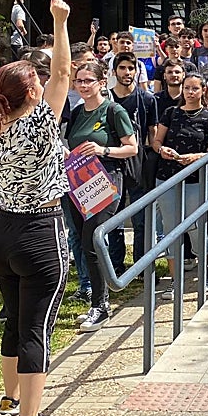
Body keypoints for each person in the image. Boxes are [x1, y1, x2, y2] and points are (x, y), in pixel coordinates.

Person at [0, 0, 73, 416]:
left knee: (16, 320)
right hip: (40, 233)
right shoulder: (39, 122)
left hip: (3, 232)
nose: (42, 83)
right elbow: (63, 75)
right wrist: (59, 22)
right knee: (36, 328)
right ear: (32, 94)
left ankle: (10, 403)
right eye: (36, 81)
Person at [64, 60, 139, 332]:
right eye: (79, 81)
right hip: (78, 182)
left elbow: (132, 148)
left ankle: (101, 305)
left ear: (101, 82)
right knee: (85, 243)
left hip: (106, 180)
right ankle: (98, 300)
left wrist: (103, 150)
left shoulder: (114, 110)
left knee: (93, 240)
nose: (83, 86)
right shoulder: (75, 112)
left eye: (88, 81)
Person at [151, 73, 208, 292]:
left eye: (194, 89)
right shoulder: (170, 113)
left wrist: (198, 157)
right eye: (187, 88)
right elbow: (156, 141)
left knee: (196, 227)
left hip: (195, 179)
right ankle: (175, 281)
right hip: (167, 177)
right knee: (171, 229)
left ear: (203, 91)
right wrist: (162, 149)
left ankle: (204, 276)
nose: (190, 93)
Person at [110, 52, 158, 273]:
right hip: (112, 165)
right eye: (122, 68)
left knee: (141, 219)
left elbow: (152, 133)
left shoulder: (147, 99)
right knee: (114, 219)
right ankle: (116, 266)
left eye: (131, 68)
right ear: (114, 71)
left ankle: (140, 265)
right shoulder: (107, 99)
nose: (127, 73)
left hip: (139, 164)